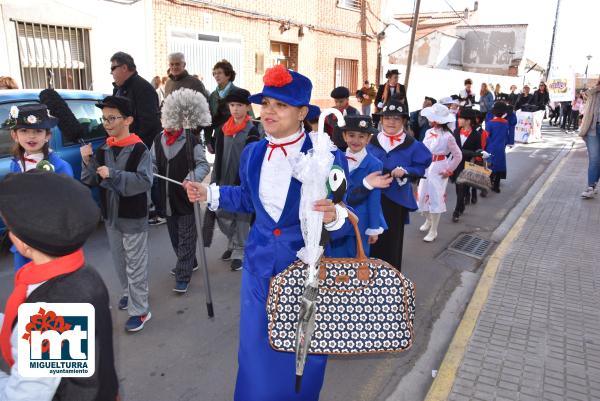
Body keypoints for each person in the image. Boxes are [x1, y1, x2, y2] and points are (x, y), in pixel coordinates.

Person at [185, 64, 356, 401]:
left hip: (305, 271)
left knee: (303, 351)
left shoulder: (326, 156)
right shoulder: (253, 153)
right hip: (259, 267)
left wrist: (335, 214)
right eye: (266, 104)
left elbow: (344, 213)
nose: (269, 112)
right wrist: (210, 193)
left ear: (303, 112)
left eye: (281, 105)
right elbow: (248, 198)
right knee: (255, 349)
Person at [0, 172, 119, 400]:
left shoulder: (55, 311)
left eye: (10, 228)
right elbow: (27, 325)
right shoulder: (82, 274)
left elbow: (26, 396)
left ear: (23, 242)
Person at [80, 96, 153, 332]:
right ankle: (128, 292)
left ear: (128, 120)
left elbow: (144, 181)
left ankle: (140, 310)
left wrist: (113, 174)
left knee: (135, 264)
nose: (107, 123)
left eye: (113, 118)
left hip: (133, 217)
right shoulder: (104, 147)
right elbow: (90, 179)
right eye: (104, 118)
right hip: (111, 216)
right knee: (119, 261)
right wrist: (86, 161)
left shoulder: (140, 149)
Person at [151, 100, 211, 293]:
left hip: (186, 199)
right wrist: (149, 171)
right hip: (166, 200)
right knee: (175, 238)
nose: (167, 121)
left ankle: (183, 275)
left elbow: (203, 165)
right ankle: (189, 261)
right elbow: (151, 162)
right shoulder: (157, 140)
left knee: (186, 237)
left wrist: (190, 178)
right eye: (164, 117)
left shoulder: (191, 140)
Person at [5, 104, 74, 271]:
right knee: (25, 288)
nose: (31, 136)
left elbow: (70, 208)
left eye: (38, 131)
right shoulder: (15, 165)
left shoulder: (60, 167)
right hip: (22, 242)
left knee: (51, 291)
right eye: (24, 131)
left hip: (50, 245)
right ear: (15, 135)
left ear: (48, 135)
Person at [367, 99, 432, 270]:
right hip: (369, 197)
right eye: (387, 118)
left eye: (396, 118)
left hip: (395, 202)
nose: (391, 122)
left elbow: (421, 167)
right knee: (368, 239)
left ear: (403, 121)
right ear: (381, 120)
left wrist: (406, 170)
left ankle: (391, 284)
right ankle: (367, 282)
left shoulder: (414, 145)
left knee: (391, 242)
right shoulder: (370, 140)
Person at [212, 88, 260, 271]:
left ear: (247, 107)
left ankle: (240, 250)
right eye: (232, 105)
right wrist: (214, 178)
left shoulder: (252, 131)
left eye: (240, 105)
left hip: (242, 182)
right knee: (222, 214)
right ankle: (232, 242)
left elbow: (254, 159)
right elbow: (218, 157)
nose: (235, 109)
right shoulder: (223, 129)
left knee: (242, 218)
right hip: (223, 179)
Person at [329, 115, 388, 257]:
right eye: (351, 135)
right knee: (336, 261)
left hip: (361, 223)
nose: (356, 140)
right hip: (338, 221)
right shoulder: (335, 159)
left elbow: (374, 200)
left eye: (361, 136)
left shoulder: (375, 164)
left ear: (368, 139)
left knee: (358, 261)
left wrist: (374, 227)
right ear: (344, 136)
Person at [417, 103, 462, 242]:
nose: (429, 119)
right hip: (426, 167)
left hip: (439, 168)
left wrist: (449, 170)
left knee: (436, 198)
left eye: (432, 117)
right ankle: (428, 219)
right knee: (422, 195)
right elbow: (422, 149)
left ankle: (434, 230)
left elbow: (458, 155)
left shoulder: (448, 136)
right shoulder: (428, 132)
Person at [109, 52, 162, 148]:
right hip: (124, 145)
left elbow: (148, 124)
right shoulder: (118, 88)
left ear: (124, 68)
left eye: (113, 68)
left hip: (137, 149)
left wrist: (132, 145)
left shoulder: (143, 88)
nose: (111, 73)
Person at [451, 107, 488, 222]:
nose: (459, 120)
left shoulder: (476, 135)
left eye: (461, 118)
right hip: (456, 164)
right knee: (458, 189)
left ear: (468, 120)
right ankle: (461, 205)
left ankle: (456, 211)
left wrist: (480, 157)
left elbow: (478, 151)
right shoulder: (456, 131)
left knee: (462, 187)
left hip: (468, 164)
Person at [205, 60, 240, 153]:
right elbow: (209, 119)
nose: (216, 76)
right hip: (219, 138)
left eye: (219, 73)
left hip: (237, 138)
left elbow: (249, 117)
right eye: (214, 73)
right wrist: (208, 140)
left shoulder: (238, 93)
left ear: (228, 75)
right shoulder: (213, 96)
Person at [578, 80, 600, 198]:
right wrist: (596, 88)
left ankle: (594, 184)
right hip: (593, 128)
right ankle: (590, 186)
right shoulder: (594, 92)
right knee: (595, 158)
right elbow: (585, 95)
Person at [485, 102, 510, 193]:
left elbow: (486, 137)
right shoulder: (506, 123)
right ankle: (496, 186)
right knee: (499, 166)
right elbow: (506, 136)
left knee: (490, 166)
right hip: (501, 148)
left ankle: (489, 183)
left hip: (491, 148)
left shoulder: (490, 124)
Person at [325, 86, 359, 150]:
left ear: (347, 100)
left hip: (350, 147)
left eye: (341, 101)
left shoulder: (354, 112)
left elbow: (358, 131)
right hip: (333, 145)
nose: (338, 104)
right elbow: (326, 129)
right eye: (336, 101)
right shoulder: (330, 112)